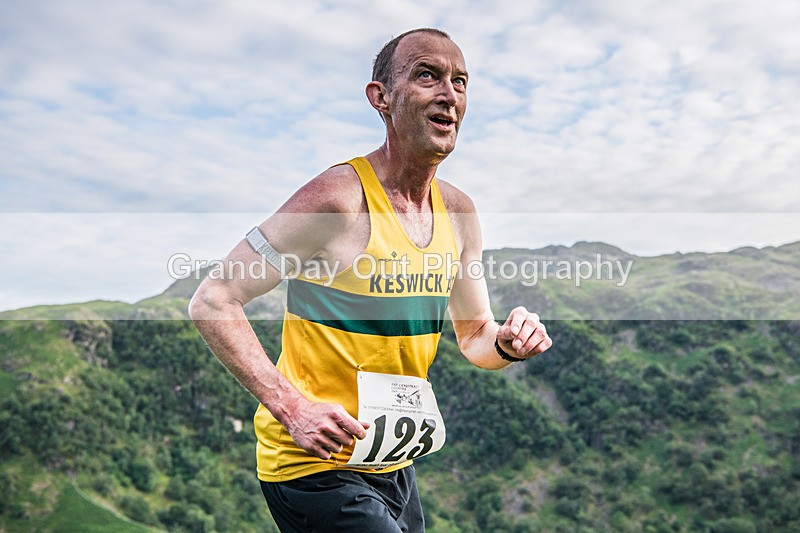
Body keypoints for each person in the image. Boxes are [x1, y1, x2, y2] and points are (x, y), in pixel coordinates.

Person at [189, 27, 552, 532]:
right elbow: (214, 299)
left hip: (392, 467)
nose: (449, 94)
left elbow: (475, 336)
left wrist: (508, 344)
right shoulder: (337, 199)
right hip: (314, 467)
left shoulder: (459, 213)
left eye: (460, 81)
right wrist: (292, 408)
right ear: (381, 97)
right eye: (427, 75)